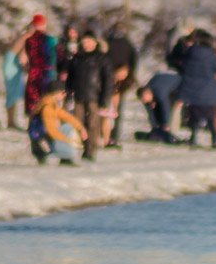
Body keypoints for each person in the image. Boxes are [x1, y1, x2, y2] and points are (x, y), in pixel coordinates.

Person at [65, 30, 112, 160]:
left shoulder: (102, 59)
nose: (86, 44)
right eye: (84, 41)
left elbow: (108, 81)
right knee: (77, 123)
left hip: (95, 97)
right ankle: (77, 147)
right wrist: (68, 92)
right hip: (79, 96)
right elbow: (70, 77)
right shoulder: (77, 58)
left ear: (95, 42)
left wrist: (104, 100)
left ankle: (90, 150)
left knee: (93, 124)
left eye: (89, 41)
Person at [178, 29, 216, 148]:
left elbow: (183, 66)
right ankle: (215, 140)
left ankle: (193, 137)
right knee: (211, 116)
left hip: (192, 89)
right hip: (208, 89)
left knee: (194, 116)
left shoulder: (189, 52)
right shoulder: (212, 55)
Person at [27, 81, 86, 165]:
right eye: (62, 93)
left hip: (43, 137)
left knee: (67, 127)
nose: (64, 95)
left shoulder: (51, 104)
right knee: (67, 129)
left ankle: (65, 156)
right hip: (41, 139)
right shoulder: (47, 107)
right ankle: (64, 155)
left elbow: (66, 116)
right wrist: (67, 140)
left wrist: (80, 128)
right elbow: (51, 130)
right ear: (55, 93)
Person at [15, 14, 57, 116]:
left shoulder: (29, 40)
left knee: (33, 103)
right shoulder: (51, 40)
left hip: (34, 74)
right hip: (48, 74)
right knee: (47, 100)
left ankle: (33, 126)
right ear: (44, 25)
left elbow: (24, 59)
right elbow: (54, 58)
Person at [104, 23, 137, 148]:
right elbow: (134, 62)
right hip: (117, 79)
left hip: (118, 80)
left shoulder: (109, 42)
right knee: (113, 109)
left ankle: (111, 135)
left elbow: (133, 62)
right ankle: (112, 135)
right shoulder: (127, 44)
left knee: (111, 109)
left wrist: (127, 72)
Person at [135, 70, 181, 143]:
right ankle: (160, 132)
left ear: (148, 93)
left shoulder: (160, 92)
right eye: (143, 100)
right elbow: (149, 112)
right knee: (154, 107)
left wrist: (166, 124)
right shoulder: (146, 95)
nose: (144, 102)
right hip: (162, 80)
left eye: (145, 99)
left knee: (174, 108)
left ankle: (172, 135)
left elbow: (165, 108)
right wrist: (154, 127)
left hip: (179, 84)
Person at [3, 45, 26, 130]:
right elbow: (22, 60)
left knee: (13, 97)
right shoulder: (11, 56)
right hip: (13, 72)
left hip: (16, 71)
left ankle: (11, 121)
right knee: (12, 97)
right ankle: (11, 121)